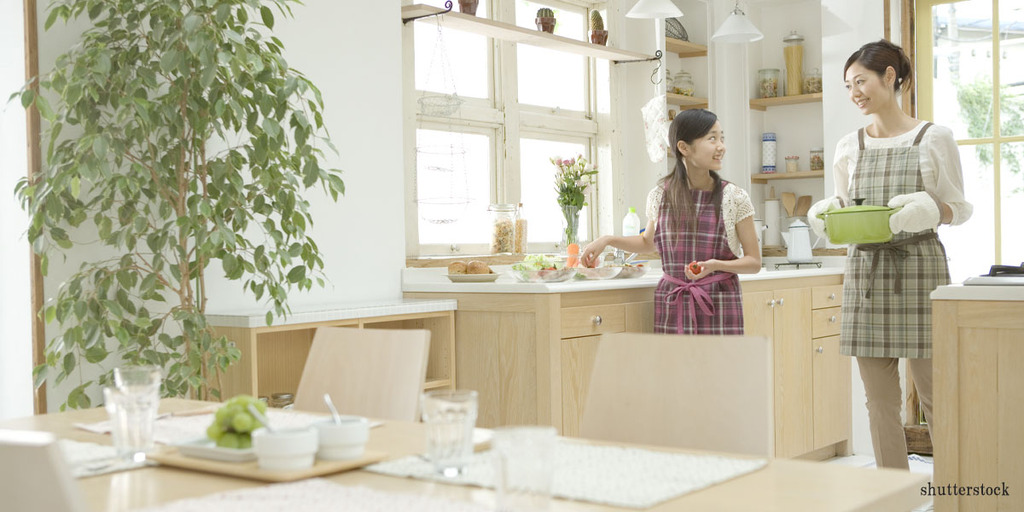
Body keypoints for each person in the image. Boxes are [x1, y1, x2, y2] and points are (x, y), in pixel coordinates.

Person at [807, 39, 972, 470]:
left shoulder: (933, 138)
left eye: (860, 81)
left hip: (920, 268)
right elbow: (848, 209)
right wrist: (830, 214)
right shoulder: (849, 146)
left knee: (937, 395)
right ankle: (892, 491)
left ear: (890, 77)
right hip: (867, 273)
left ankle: (957, 490)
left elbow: (961, 208)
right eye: (847, 85)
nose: (854, 92)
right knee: (879, 401)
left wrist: (933, 209)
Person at [581, 109, 762, 334]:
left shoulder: (734, 197)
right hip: (673, 304)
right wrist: (607, 240)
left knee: (718, 370)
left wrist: (715, 265)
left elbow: (754, 262)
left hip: (720, 304)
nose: (721, 146)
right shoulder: (660, 195)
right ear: (684, 147)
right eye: (712, 138)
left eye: (721, 138)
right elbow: (649, 243)